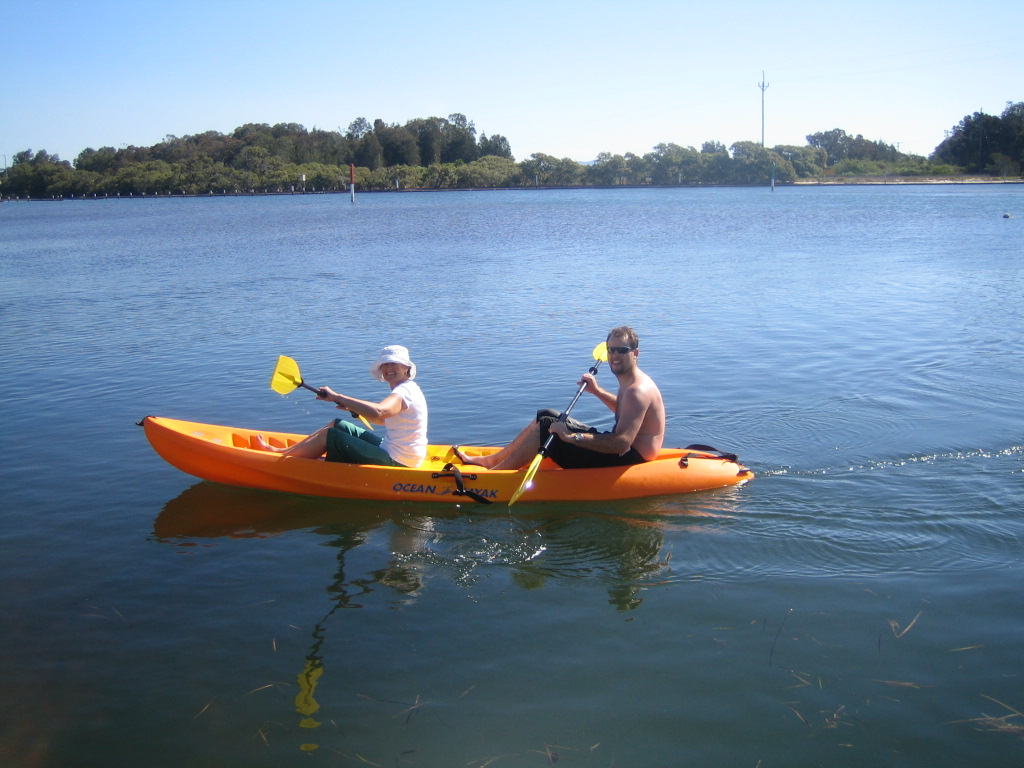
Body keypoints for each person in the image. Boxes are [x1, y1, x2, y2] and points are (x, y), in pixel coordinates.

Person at [455, 326, 664, 470]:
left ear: (635, 353)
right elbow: (626, 411)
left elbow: (621, 444)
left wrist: (571, 437)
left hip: (629, 458)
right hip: (624, 450)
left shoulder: (637, 390)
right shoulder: (631, 382)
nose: (615, 355)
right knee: (547, 416)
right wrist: (598, 391)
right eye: (611, 350)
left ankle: (496, 476)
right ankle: (491, 462)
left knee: (548, 427)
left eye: (622, 350)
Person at [255, 345, 428, 468]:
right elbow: (386, 420)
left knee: (331, 435)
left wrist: (339, 397)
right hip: (396, 451)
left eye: (393, 363)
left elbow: (380, 412)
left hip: (400, 460)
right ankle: (283, 451)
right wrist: (354, 409)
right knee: (338, 425)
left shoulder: (404, 391)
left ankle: (282, 464)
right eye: (385, 364)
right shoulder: (406, 389)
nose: (388, 368)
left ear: (406, 368)